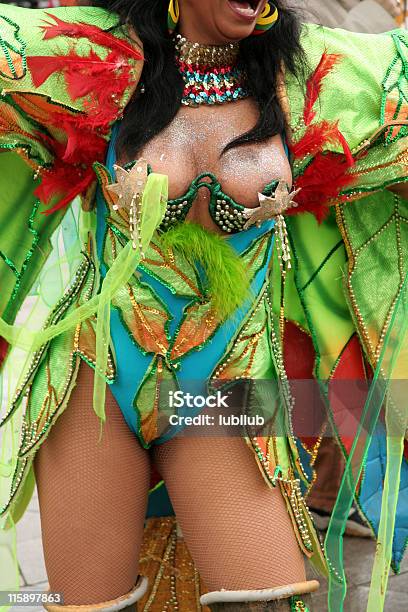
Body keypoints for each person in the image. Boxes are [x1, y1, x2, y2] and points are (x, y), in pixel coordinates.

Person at [0, 1, 407, 611]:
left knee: (265, 599)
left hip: (227, 387)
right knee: (84, 605)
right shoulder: (100, 57)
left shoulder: (309, 74)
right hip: (94, 379)